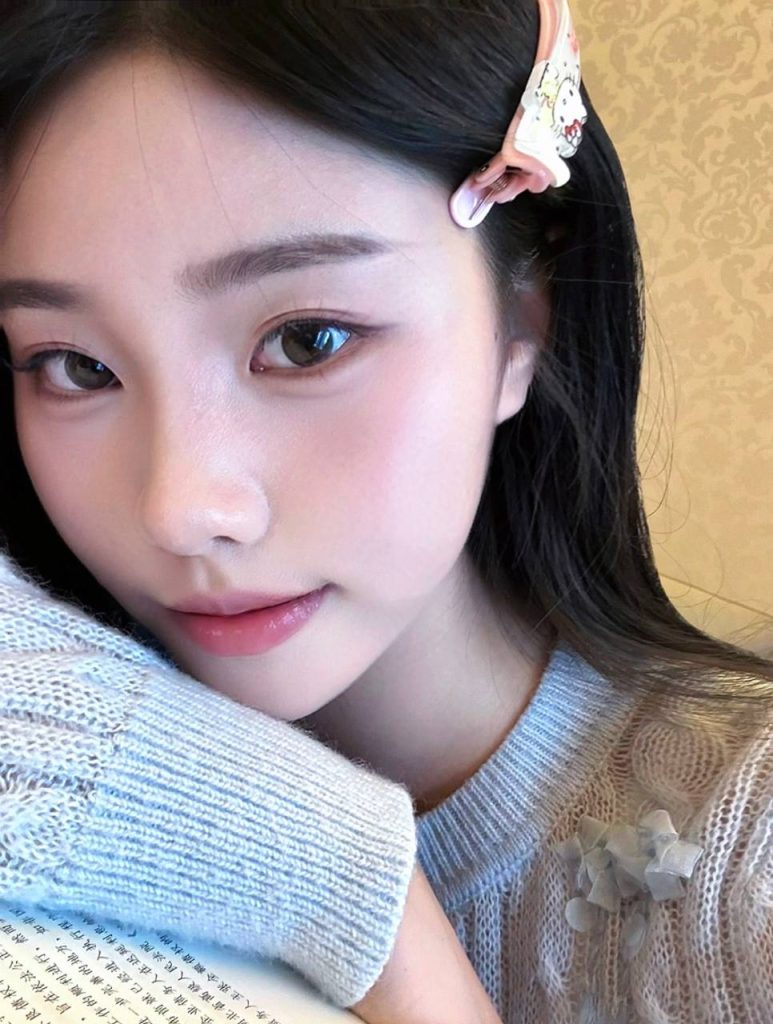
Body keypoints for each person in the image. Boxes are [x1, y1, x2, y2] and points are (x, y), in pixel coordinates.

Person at [0, 1, 770, 1022]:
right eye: (74, 366)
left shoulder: (750, 861)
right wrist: (331, 871)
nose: (181, 510)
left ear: (522, 322)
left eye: (308, 340)